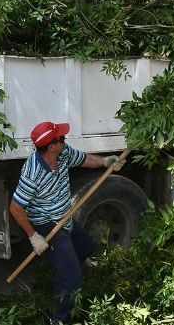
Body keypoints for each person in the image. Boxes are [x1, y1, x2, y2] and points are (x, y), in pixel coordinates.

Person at [9, 121, 126, 324]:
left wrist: (106, 161)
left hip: (64, 218)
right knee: (72, 277)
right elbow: (15, 207)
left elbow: (84, 159)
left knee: (86, 247)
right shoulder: (33, 171)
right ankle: (62, 319)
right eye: (61, 138)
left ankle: (64, 276)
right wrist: (34, 237)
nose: (65, 139)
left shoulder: (63, 154)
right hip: (47, 224)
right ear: (50, 146)